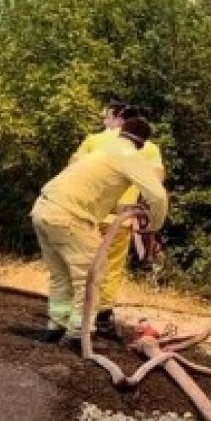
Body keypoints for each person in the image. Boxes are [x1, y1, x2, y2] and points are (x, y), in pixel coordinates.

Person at [32, 116, 168, 345]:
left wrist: (122, 208)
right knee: (91, 275)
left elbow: (94, 192)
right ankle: (77, 333)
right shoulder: (130, 156)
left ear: (121, 131)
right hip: (70, 216)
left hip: (43, 208)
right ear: (142, 143)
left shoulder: (103, 150)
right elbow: (157, 196)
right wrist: (153, 226)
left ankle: (56, 325)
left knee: (61, 274)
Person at [70, 100, 165, 335]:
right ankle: (102, 315)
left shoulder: (93, 141)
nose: (104, 121)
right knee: (112, 267)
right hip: (121, 217)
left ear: (116, 118)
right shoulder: (149, 148)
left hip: (88, 212)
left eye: (106, 117)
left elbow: (72, 169)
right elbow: (156, 182)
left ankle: (76, 314)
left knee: (83, 262)